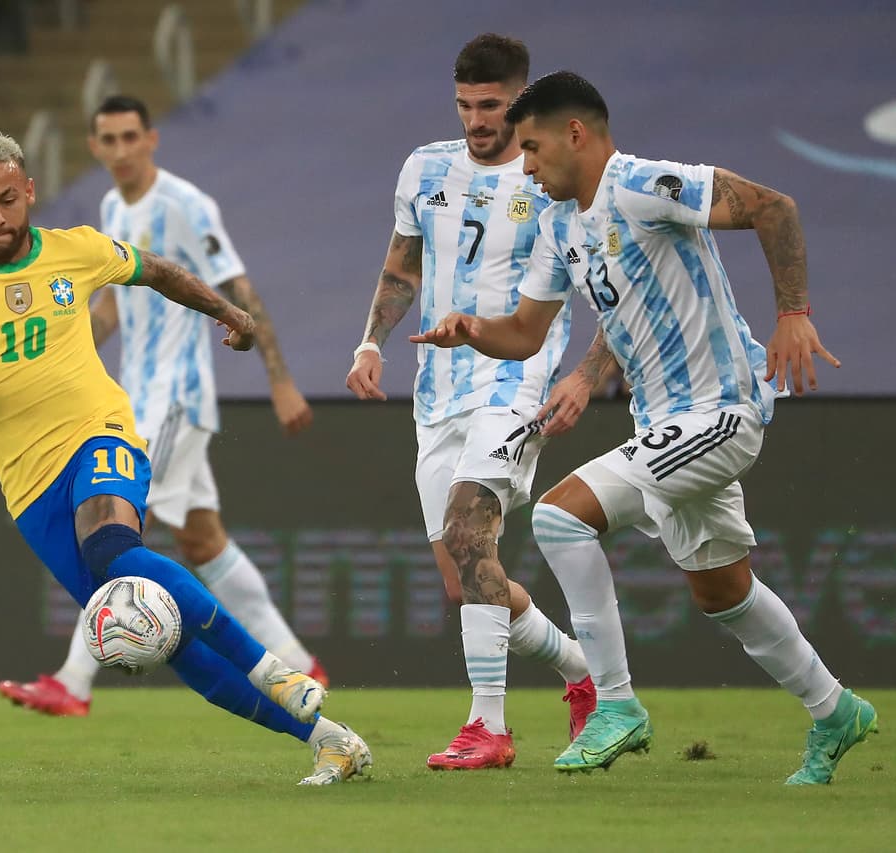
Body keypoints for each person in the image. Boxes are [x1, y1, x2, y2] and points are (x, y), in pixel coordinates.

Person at [0, 131, 370, 786]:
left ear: (30, 193)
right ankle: (331, 740)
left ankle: (271, 667)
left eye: (8, 201)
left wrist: (230, 314)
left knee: (110, 546)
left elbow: (157, 270)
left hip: (100, 433)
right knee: (173, 646)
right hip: (30, 490)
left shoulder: (76, 249)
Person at [413, 70, 874, 784]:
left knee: (563, 518)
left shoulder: (645, 184)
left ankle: (617, 703)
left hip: (721, 407)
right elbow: (527, 332)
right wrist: (472, 329)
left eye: (532, 148)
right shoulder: (558, 222)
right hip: (665, 420)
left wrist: (793, 312)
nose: (525, 166)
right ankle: (835, 709)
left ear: (577, 134)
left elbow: (773, 207)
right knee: (725, 594)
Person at [0, 95, 326, 718]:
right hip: (137, 394)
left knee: (109, 540)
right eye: (107, 140)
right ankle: (299, 661)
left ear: (151, 139)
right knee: (204, 542)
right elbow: (111, 307)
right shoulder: (112, 208)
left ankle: (73, 681)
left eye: (129, 137)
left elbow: (238, 289)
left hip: (173, 397)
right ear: (94, 147)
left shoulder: (185, 204)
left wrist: (279, 379)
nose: (120, 150)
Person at [346, 34, 594, 771]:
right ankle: (588, 674)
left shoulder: (548, 176)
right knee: (466, 573)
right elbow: (402, 262)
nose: (477, 119)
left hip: (515, 382)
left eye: (491, 106)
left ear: (519, 101)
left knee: (467, 528)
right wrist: (370, 343)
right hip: (438, 391)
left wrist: (584, 372)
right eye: (465, 105)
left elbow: (597, 273)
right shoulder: (425, 169)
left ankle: (489, 727)